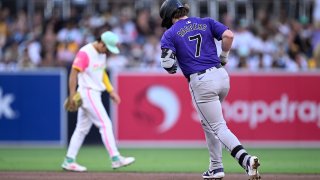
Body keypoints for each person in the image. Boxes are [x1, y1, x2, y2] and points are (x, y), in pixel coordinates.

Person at [159, 0, 261, 179]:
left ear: (169, 16)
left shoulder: (170, 33)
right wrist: (224, 56)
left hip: (201, 81)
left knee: (217, 126)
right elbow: (229, 35)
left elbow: (168, 65)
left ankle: (246, 160)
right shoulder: (206, 22)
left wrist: (171, 66)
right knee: (209, 124)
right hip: (221, 76)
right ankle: (216, 167)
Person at [61, 31, 135, 172]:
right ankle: (115, 158)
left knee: (81, 129)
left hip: (95, 92)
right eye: (107, 48)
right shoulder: (85, 53)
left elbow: (102, 73)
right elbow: (73, 72)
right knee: (105, 124)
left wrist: (111, 90)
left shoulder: (101, 54)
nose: (107, 52)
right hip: (88, 92)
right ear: (101, 42)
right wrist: (72, 94)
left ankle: (69, 160)